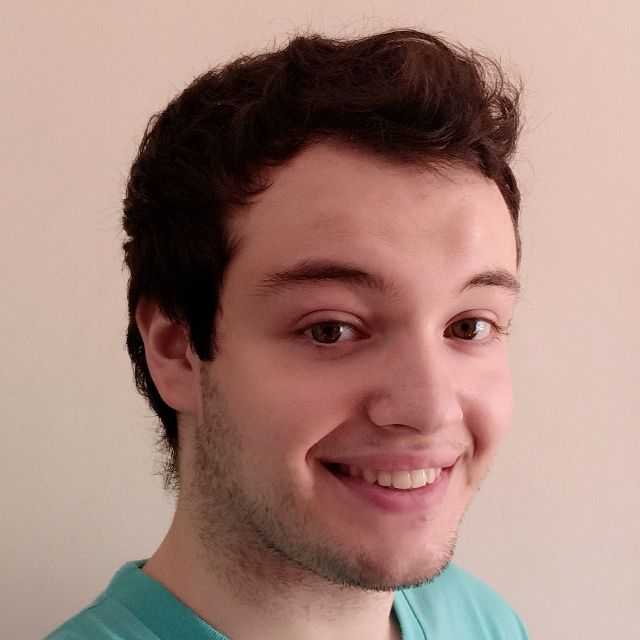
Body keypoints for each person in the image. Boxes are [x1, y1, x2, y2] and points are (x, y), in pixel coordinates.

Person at [46, 28, 528, 639]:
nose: (430, 410)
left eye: (469, 326)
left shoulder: (482, 621)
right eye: (331, 330)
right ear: (176, 351)